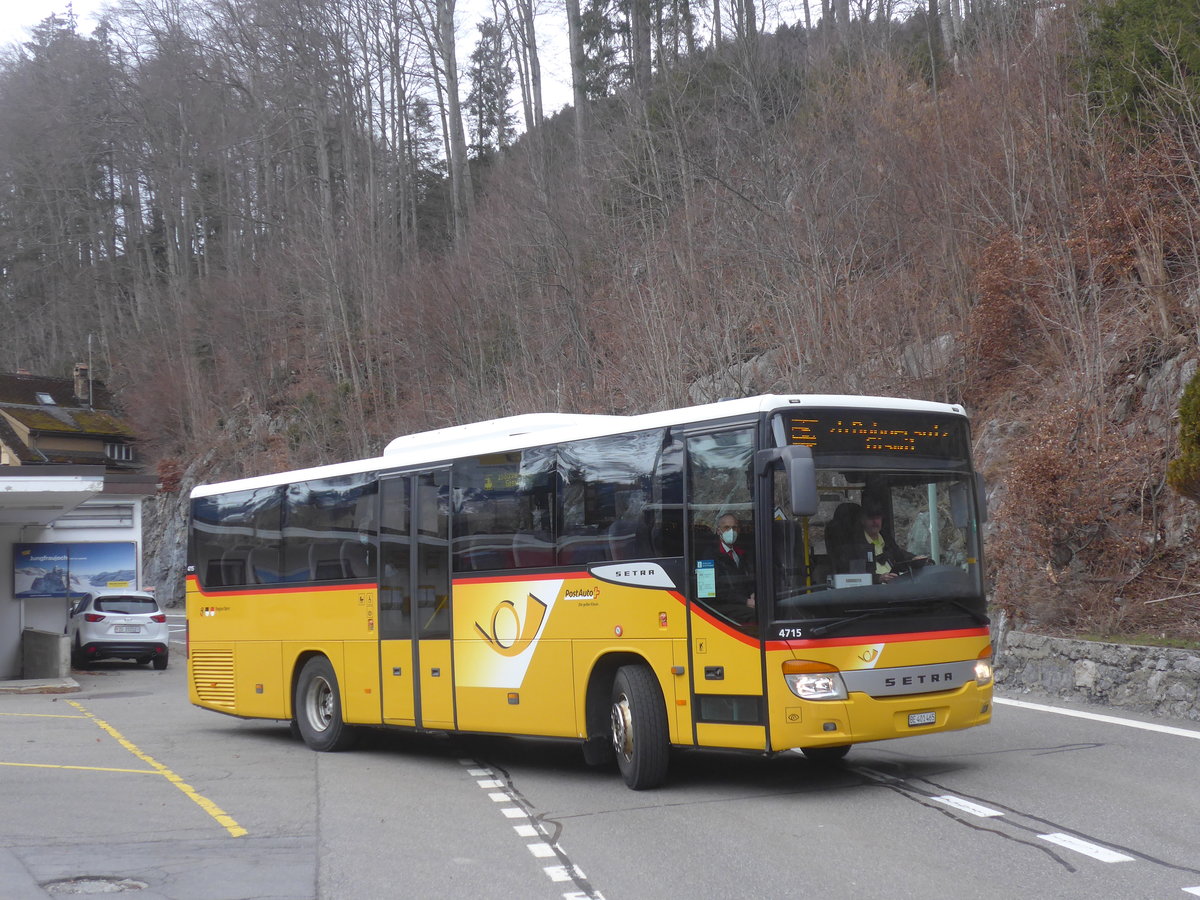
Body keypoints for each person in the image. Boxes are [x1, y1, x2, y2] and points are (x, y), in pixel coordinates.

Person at [828, 499, 927, 584]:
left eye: (878, 518)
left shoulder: (886, 539)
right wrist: (879, 578)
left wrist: (914, 558)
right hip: (872, 595)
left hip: (896, 588)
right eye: (871, 518)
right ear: (862, 520)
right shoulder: (854, 546)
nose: (875, 522)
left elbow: (900, 555)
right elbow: (855, 577)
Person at [710, 512, 756, 618]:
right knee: (755, 615)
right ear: (718, 531)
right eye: (726, 527)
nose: (731, 531)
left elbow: (747, 578)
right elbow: (717, 590)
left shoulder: (740, 553)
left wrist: (753, 592)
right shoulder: (711, 556)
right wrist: (746, 601)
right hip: (722, 605)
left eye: (734, 528)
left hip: (742, 601)